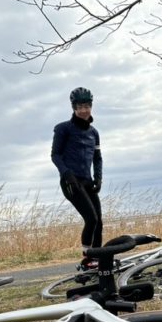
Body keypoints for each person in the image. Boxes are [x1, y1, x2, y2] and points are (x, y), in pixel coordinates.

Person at [51, 87, 104, 268]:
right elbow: (55, 155)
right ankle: (88, 257)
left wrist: (98, 178)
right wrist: (67, 174)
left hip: (87, 181)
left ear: (91, 107)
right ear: (74, 108)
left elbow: (97, 158)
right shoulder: (63, 129)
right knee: (91, 219)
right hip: (70, 182)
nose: (83, 110)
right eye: (79, 107)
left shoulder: (94, 133)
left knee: (99, 221)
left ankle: (98, 257)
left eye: (87, 106)